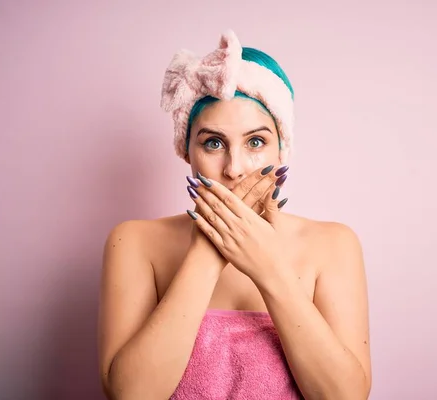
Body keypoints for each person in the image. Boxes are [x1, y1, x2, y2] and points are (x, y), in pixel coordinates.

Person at [97, 30, 372, 400]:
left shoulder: (333, 244)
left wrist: (269, 267)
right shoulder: (133, 242)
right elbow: (131, 395)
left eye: (256, 142)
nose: (235, 168)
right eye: (213, 143)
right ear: (187, 152)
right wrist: (208, 252)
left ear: (281, 150)